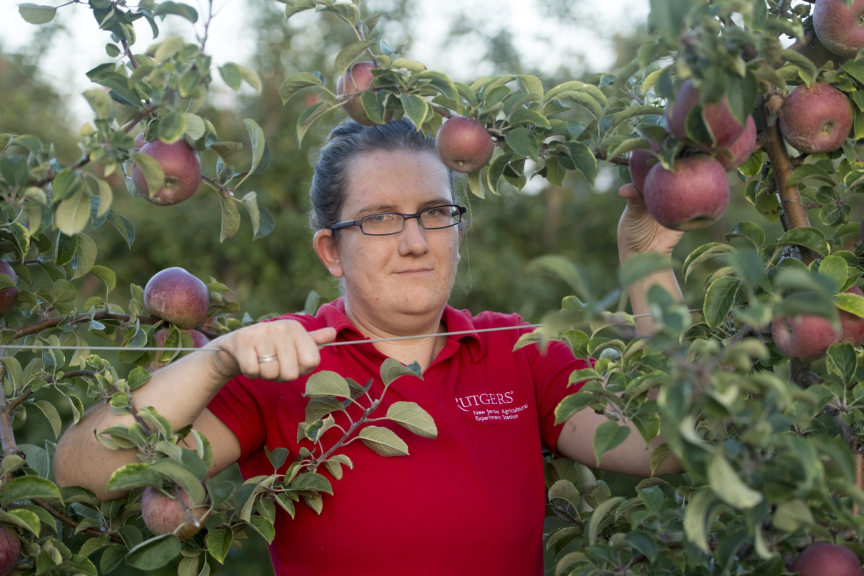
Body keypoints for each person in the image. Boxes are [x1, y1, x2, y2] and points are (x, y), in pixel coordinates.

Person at [54, 119, 685, 575]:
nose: (415, 242)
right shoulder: (283, 362)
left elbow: (669, 449)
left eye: (436, 213)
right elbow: (84, 472)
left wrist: (647, 263)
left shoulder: (516, 350)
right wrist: (216, 358)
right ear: (331, 250)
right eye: (380, 219)